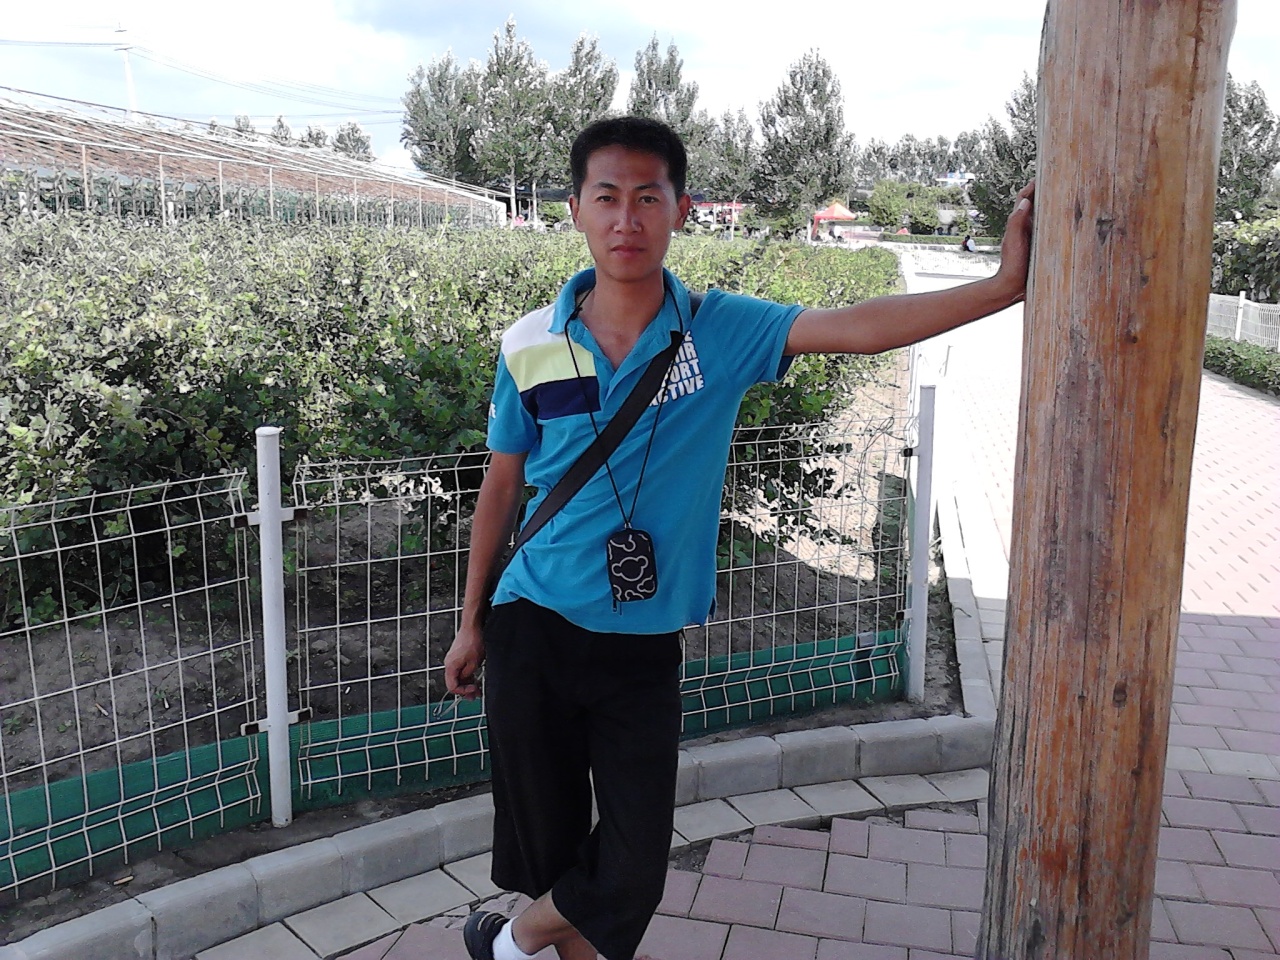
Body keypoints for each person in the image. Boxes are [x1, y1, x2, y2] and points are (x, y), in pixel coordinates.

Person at [445, 116, 1035, 960]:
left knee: (634, 867)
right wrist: (471, 622)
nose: (626, 219)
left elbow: (859, 325)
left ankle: (506, 943)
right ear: (574, 209)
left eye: (648, 198)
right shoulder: (530, 343)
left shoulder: (717, 330)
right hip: (532, 622)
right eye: (606, 198)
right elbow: (502, 486)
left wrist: (1003, 287)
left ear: (681, 209)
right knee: (553, 854)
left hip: (644, 642)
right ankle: (522, 940)